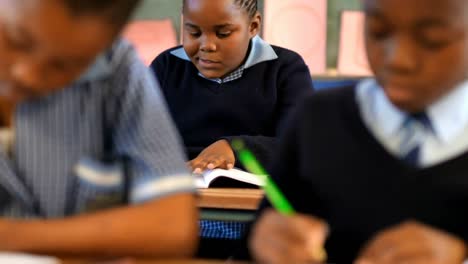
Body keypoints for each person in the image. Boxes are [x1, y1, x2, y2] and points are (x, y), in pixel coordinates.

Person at [248, 0, 468, 263]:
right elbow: (263, 232)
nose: (398, 59)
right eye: (378, 32)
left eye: (433, 40)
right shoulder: (318, 119)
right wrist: (263, 241)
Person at [0, 0, 197, 258]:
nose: (28, 74)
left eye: (63, 65)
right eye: (17, 40)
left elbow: (173, 227)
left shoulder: (116, 72)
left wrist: (10, 236)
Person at [150, 0, 313, 258]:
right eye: (193, 32)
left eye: (223, 33)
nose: (206, 45)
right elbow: (143, 140)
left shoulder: (285, 69)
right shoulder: (166, 67)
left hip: (253, 215)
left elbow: (301, 146)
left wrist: (235, 148)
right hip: (179, 208)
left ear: (253, 26)